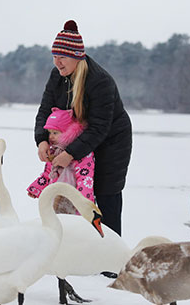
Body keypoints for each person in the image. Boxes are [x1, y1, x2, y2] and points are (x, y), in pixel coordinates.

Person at [34, 20, 132, 236]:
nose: (57, 62)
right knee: (71, 192)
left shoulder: (100, 82)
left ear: (77, 57)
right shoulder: (56, 76)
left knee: (105, 194)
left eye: (62, 57)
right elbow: (44, 111)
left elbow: (99, 127)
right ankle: (76, 248)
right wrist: (41, 139)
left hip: (111, 143)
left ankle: (110, 260)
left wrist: (70, 153)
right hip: (76, 138)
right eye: (54, 56)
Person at [27, 107, 95, 214]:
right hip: (55, 199)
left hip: (73, 200)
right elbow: (48, 174)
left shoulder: (81, 154)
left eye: (55, 133)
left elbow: (85, 178)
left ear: (68, 132)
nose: (51, 137)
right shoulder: (54, 152)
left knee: (72, 226)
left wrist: (82, 202)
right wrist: (36, 188)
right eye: (50, 133)